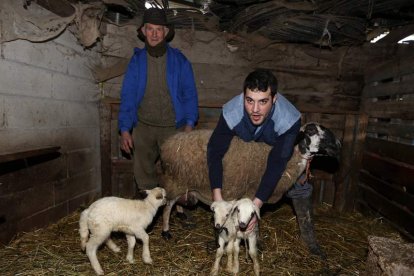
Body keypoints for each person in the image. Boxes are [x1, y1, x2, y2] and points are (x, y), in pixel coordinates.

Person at [207, 69, 325, 257]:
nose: (255, 109)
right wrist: (218, 198)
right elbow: (214, 151)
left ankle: (309, 239)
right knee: (235, 178)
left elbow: (278, 162)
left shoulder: (288, 119)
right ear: (243, 96)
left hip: (277, 150)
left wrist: (256, 207)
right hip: (248, 151)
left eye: (263, 102)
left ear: (274, 99)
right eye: (249, 100)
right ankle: (224, 236)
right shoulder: (232, 112)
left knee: (297, 182)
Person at [118, 8, 198, 208]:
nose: (154, 33)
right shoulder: (136, 62)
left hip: (172, 127)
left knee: (176, 171)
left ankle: (180, 209)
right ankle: (147, 213)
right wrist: (125, 129)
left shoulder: (179, 61)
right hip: (143, 126)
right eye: (150, 29)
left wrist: (189, 124)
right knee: (143, 172)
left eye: (158, 29)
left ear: (165, 32)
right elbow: (127, 97)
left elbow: (190, 94)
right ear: (144, 31)